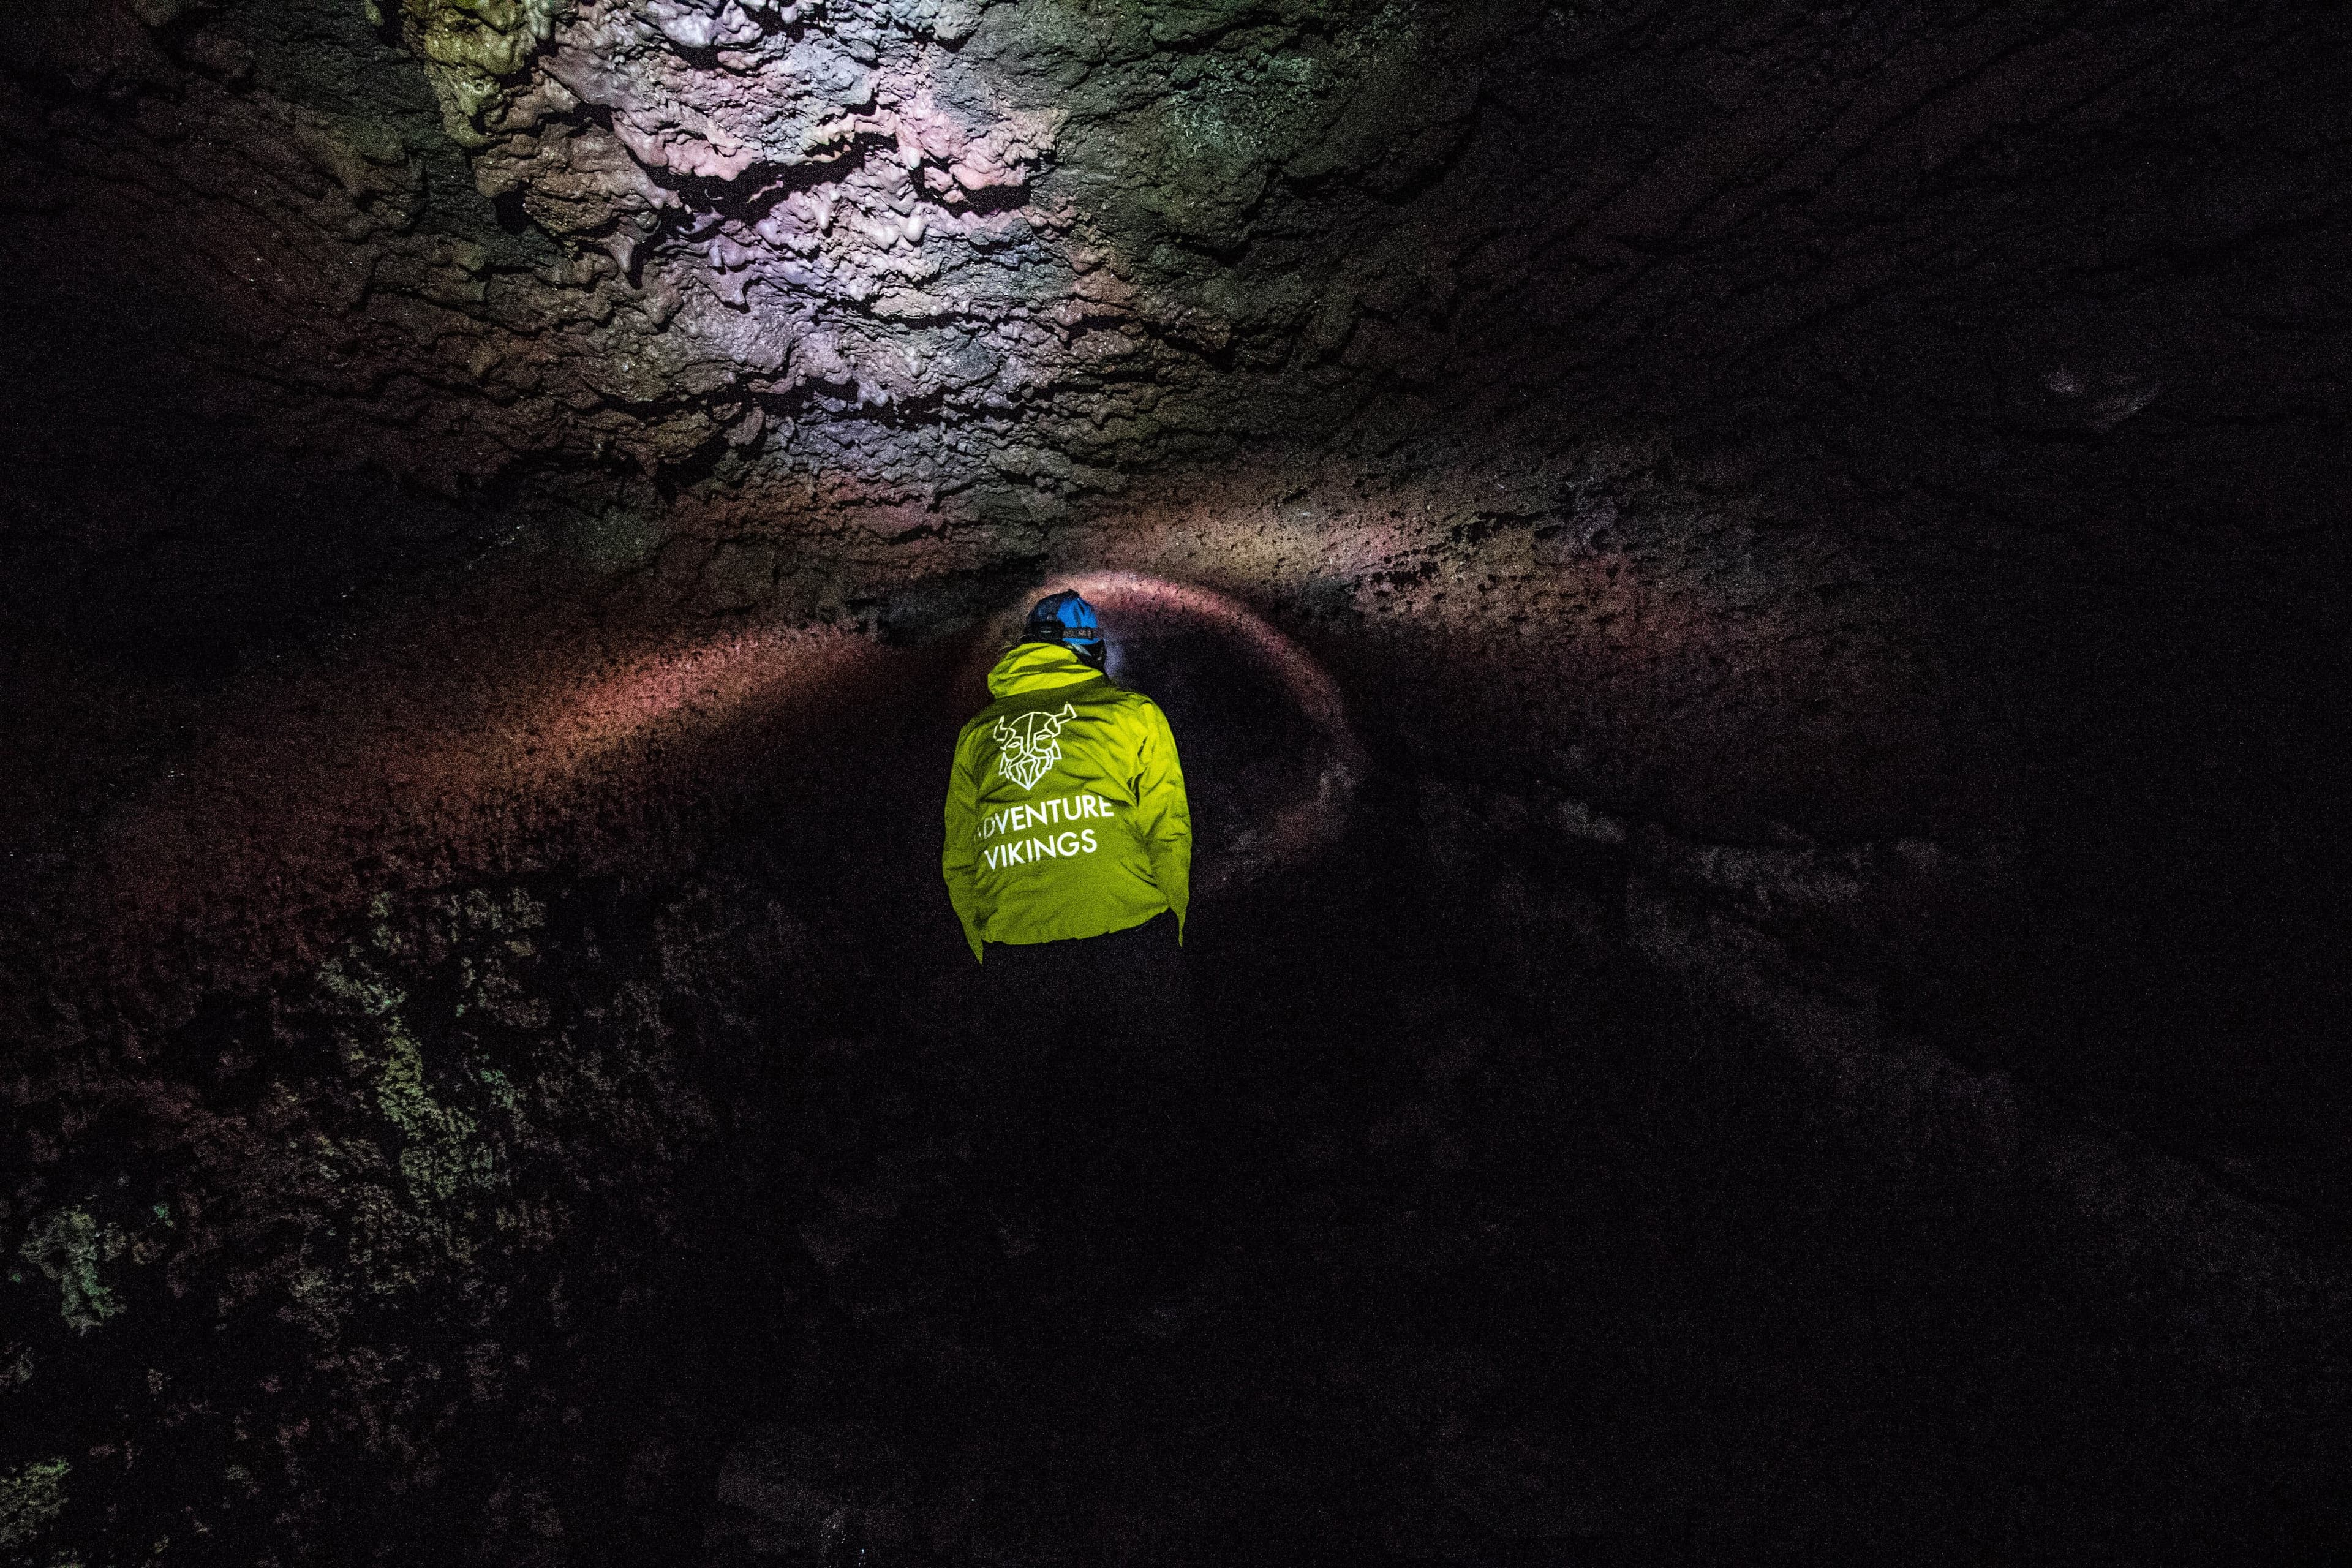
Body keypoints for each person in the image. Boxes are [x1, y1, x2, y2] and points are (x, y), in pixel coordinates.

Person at [941, 590, 1199, 1305]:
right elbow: (1169, 832)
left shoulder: (979, 736)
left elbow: (959, 862)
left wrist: (989, 943)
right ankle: (1159, 1272)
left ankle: (1022, 1252)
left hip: (1021, 946)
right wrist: (1164, 927)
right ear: (1086, 650)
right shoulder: (1133, 715)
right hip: (1128, 933)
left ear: (1027, 649)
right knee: (1152, 1093)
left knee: (1019, 1095)